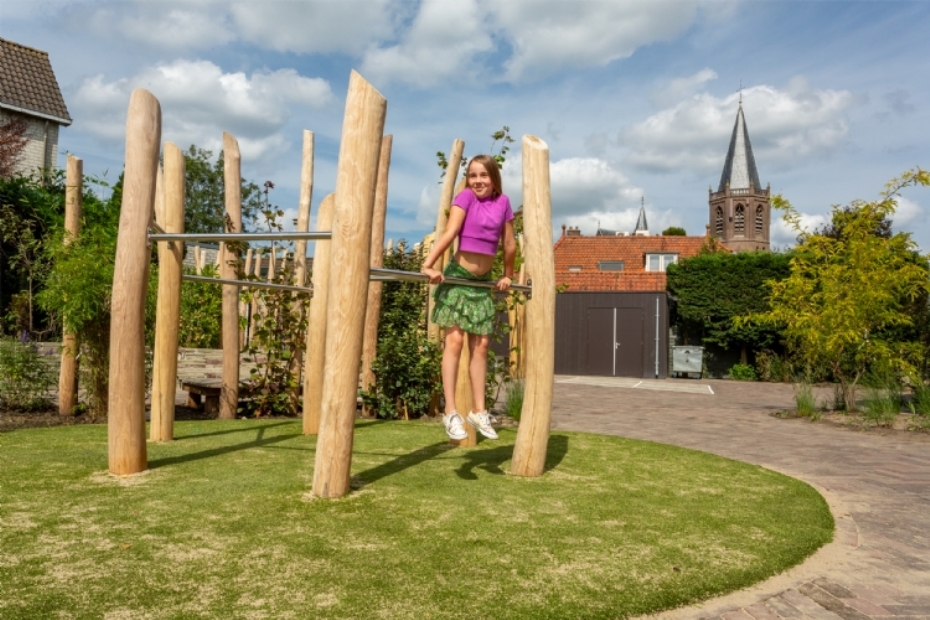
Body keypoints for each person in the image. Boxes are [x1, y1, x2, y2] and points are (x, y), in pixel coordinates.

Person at [422, 154, 517, 441]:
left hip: (482, 283)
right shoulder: (464, 197)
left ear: (494, 178)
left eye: (483, 175)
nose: (477, 181)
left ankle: (479, 410)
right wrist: (429, 265)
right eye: (472, 175)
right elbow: (450, 232)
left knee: (482, 345)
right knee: (455, 341)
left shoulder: (503, 203)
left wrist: (508, 274)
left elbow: (509, 243)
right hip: (459, 278)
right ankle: (450, 411)